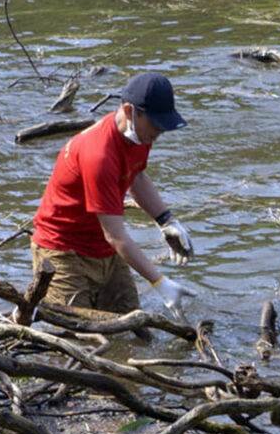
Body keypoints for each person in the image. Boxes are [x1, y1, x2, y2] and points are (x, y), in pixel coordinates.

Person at [28, 72, 194, 316]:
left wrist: (166, 221)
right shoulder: (99, 156)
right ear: (129, 111)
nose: (160, 132)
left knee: (131, 323)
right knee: (78, 335)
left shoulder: (139, 135)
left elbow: (136, 176)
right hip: (64, 251)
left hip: (102, 248)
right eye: (156, 123)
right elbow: (115, 235)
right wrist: (160, 283)